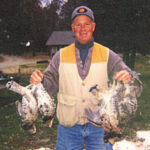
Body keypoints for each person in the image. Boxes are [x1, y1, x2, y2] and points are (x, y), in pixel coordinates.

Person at [30, 6, 139, 150]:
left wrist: (128, 78)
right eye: (78, 24)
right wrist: (40, 81)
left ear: (93, 26)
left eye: (87, 24)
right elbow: (49, 84)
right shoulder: (60, 56)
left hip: (100, 127)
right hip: (68, 127)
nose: (83, 28)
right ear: (72, 28)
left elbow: (133, 80)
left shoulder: (107, 54)